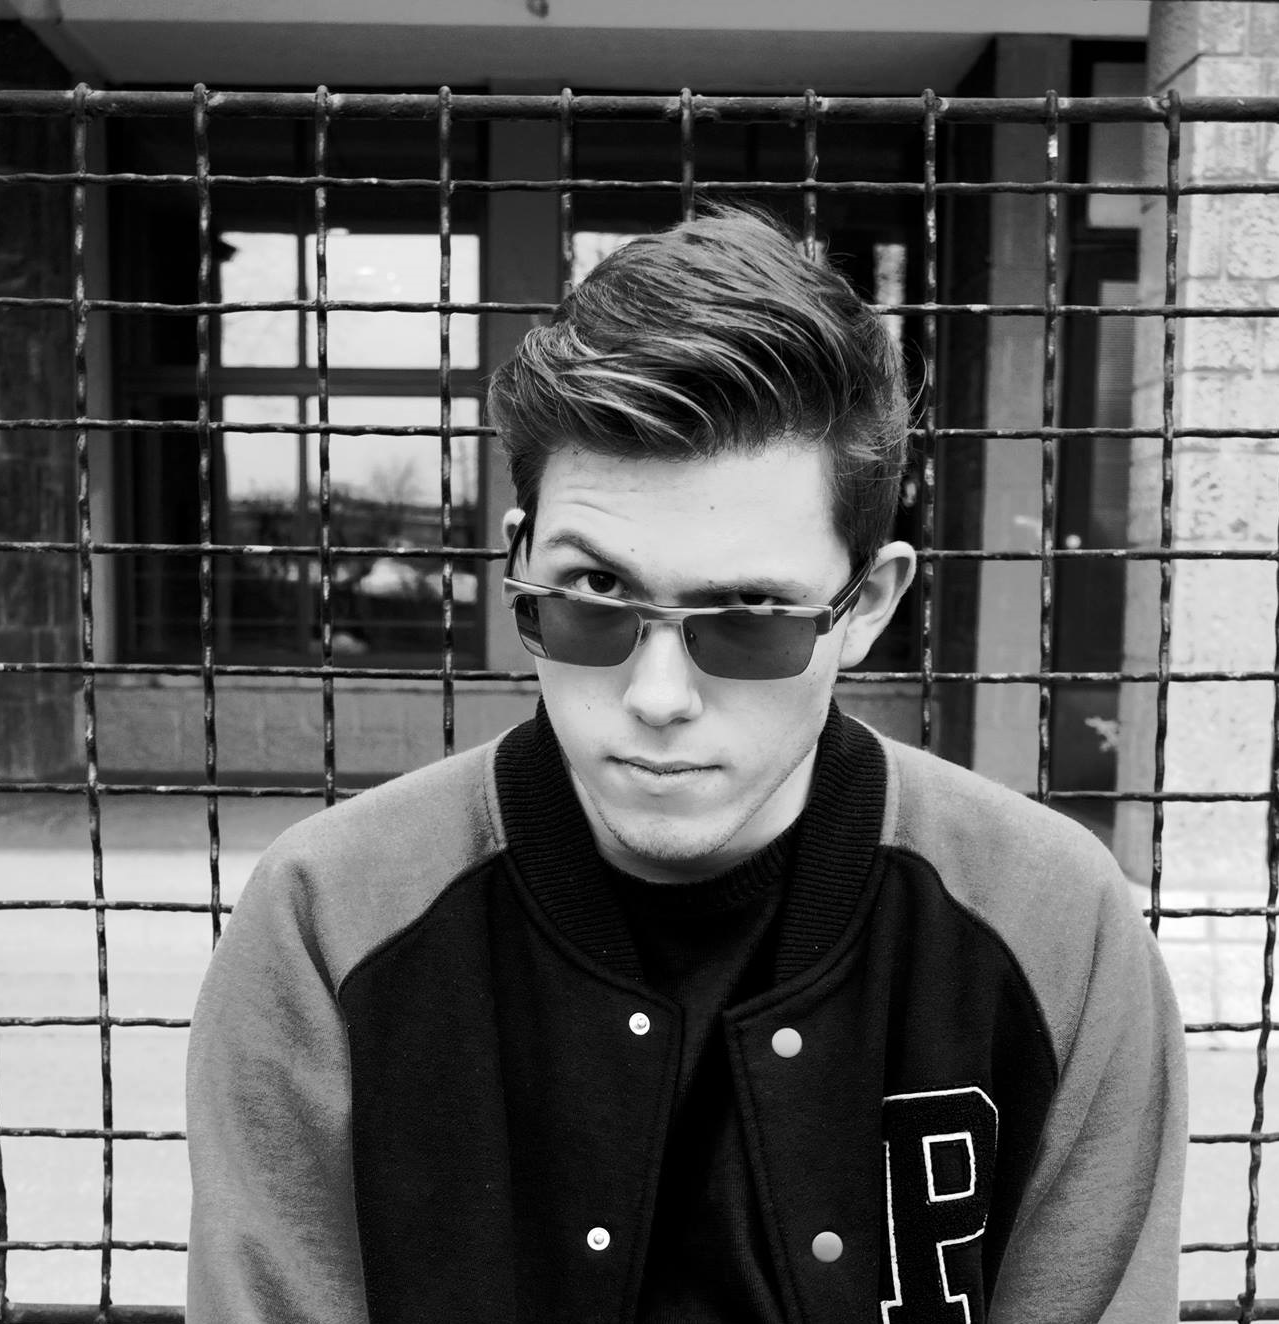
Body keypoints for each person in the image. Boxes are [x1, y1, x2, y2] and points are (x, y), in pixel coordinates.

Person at [185, 207, 1187, 1323]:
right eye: (594, 593)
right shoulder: (328, 920)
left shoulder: (1053, 926)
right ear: (518, 564)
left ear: (867, 605)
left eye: (748, 613)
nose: (656, 696)